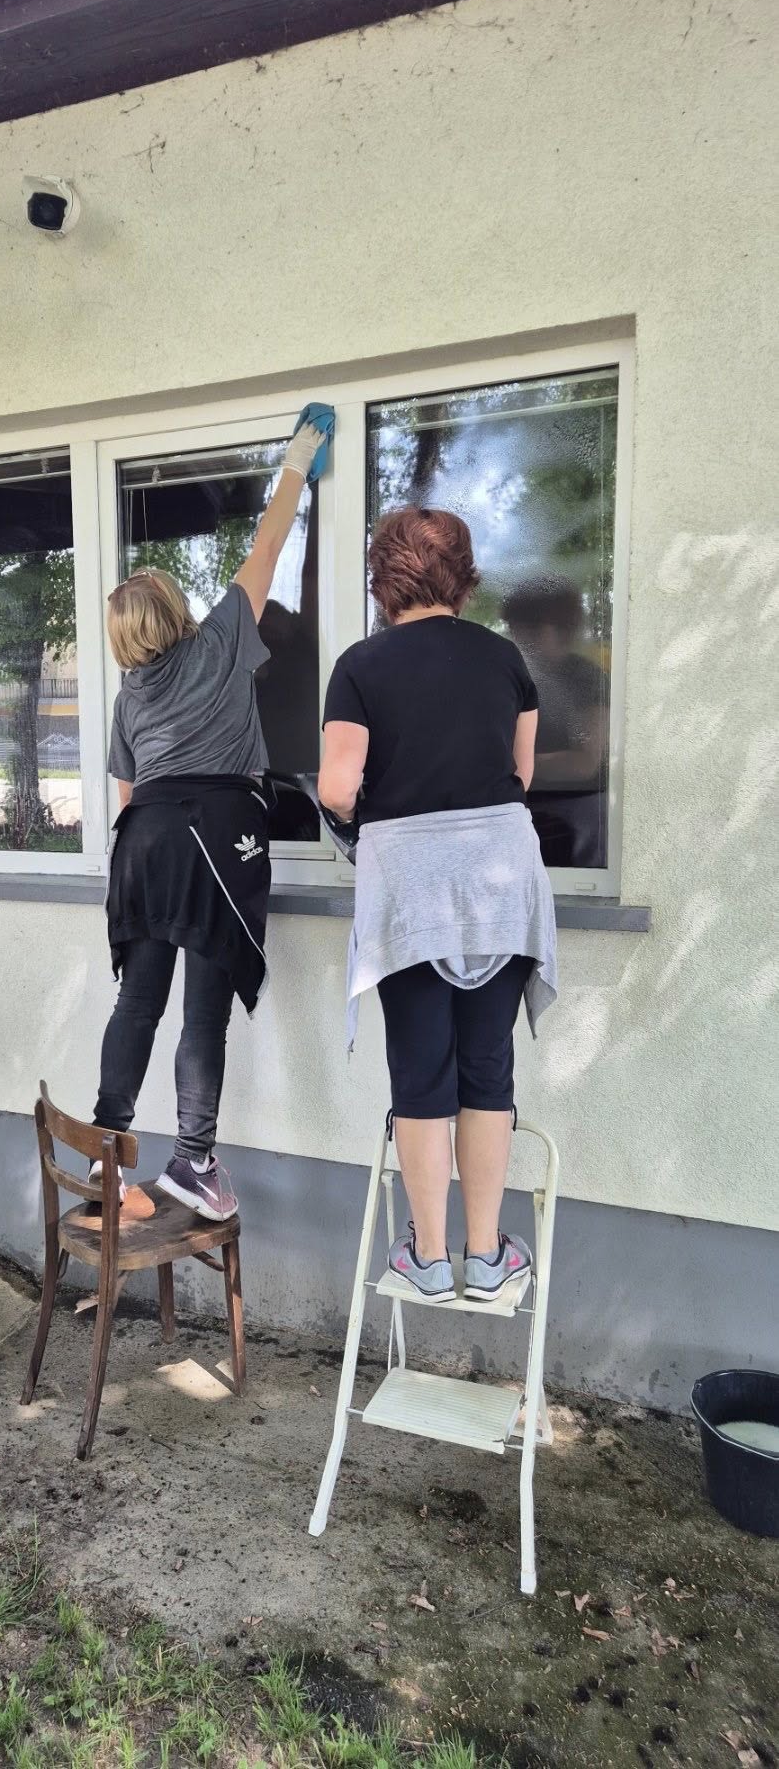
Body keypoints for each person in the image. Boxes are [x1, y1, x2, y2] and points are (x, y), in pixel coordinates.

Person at [91, 411, 333, 1223]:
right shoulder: (223, 638)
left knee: (137, 1004)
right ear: (175, 609)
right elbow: (265, 547)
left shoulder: (130, 695)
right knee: (201, 1010)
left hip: (143, 842)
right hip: (213, 831)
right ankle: (192, 1160)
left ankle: (105, 1157)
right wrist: (297, 458)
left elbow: (126, 799)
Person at [318, 507, 557, 1302]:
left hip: (412, 882)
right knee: (486, 1068)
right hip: (499, 876)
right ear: (462, 573)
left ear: (383, 575)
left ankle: (424, 1260)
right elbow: (520, 776)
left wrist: (370, 815)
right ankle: (487, 1259)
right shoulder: (504, 659)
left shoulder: (360, 665)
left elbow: (336, 789)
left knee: (420, 1072)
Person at [501, 577, 609, 869]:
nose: (517, 638)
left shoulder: (588, 678)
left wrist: (509, 767)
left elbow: (586, 763)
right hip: (517, 808)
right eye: (515, 628)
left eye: (524, 628)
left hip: (579, 812)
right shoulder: (507, 675)